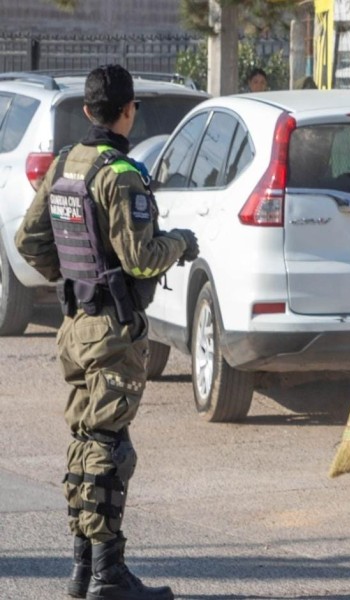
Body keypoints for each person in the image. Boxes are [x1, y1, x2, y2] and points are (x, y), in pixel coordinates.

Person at [15, 64, 198, 600]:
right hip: (112, 330)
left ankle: (82, 567)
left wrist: (75, 280)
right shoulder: (120, 175)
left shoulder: (65, 165)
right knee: (109, 446)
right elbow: (141, 259)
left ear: (86, 109)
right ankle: (106, 573)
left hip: (75, 326)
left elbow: (28, 242)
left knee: (86, 440)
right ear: (128, 111)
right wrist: (180, 243)